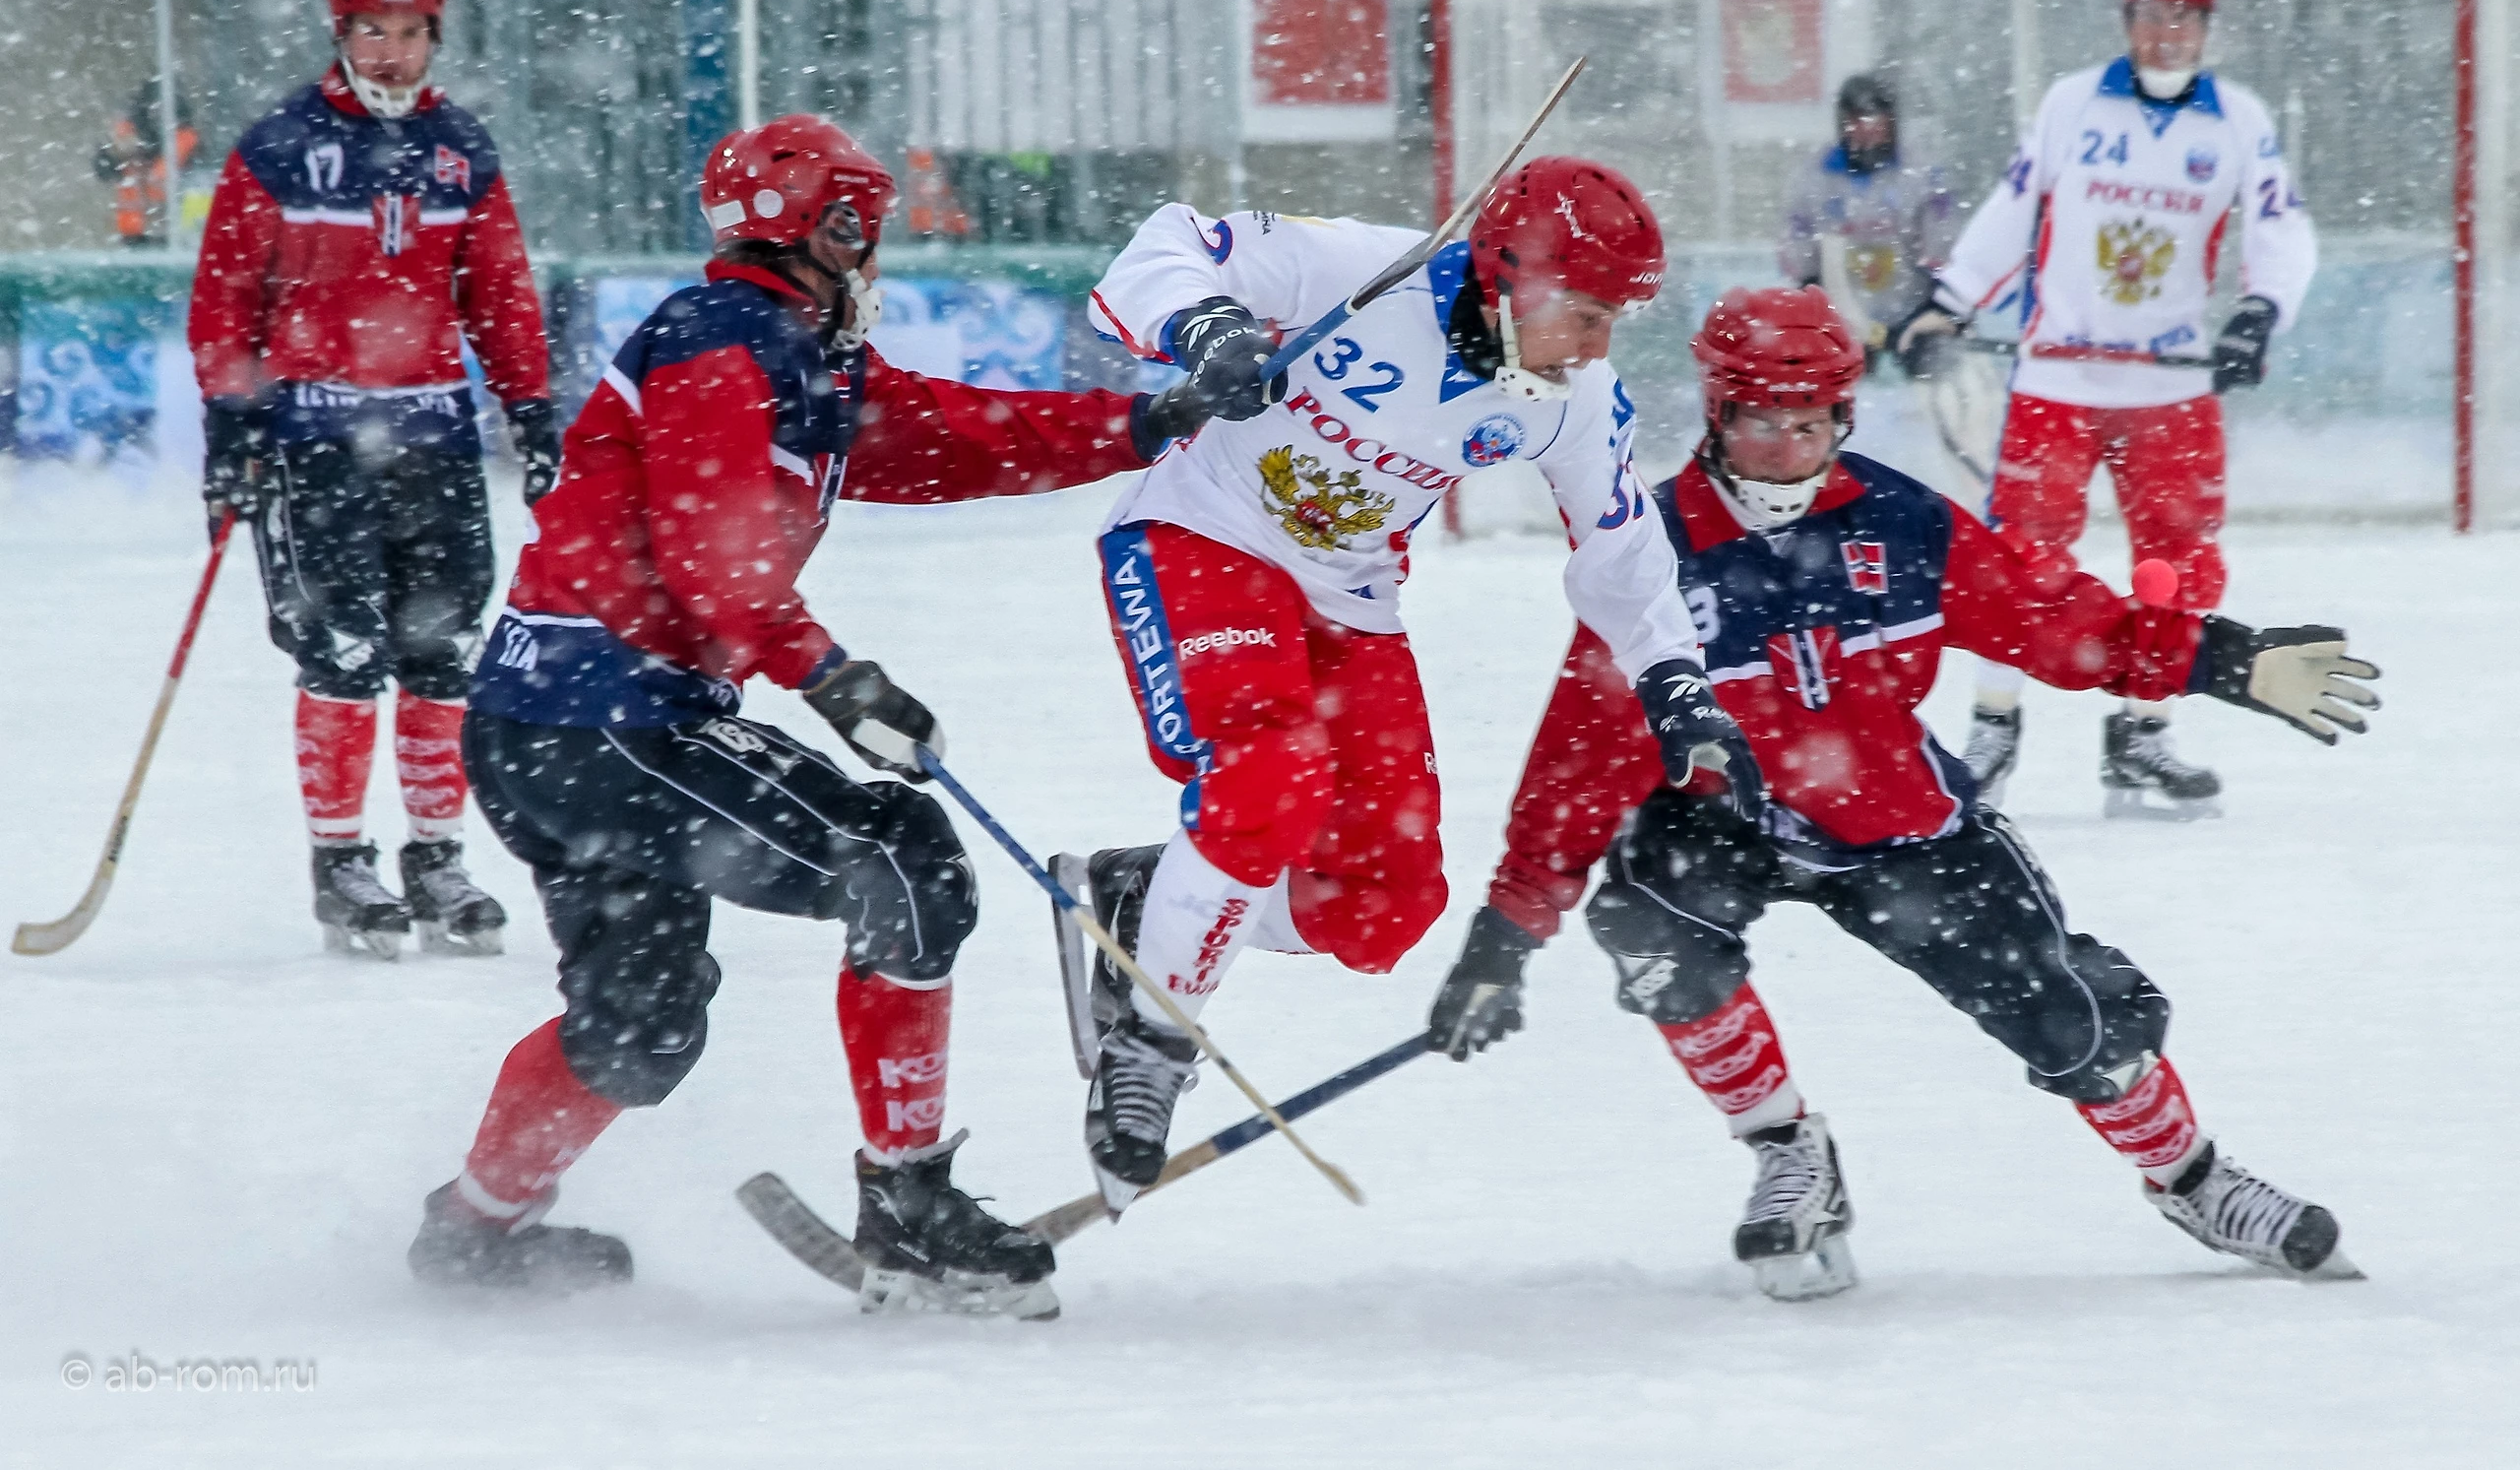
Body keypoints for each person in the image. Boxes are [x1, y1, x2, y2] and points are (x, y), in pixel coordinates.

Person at [405, 114, 1277, 1314]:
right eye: (870, 232)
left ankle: (474, 1230)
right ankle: (907, 1207)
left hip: (558, 725)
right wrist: (830, 675)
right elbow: (712, 551)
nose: (878, 260)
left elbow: (961, 437)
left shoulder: (796, 354)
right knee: (904, 857)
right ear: (830, 227)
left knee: (643, 1026)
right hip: (603, 716)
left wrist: (1151, 418)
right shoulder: (723, 345)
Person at [1429, 287, 2378, 1300]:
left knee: (2068, 1022)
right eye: (1760, 420)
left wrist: (2222, 661)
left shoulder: (1899, 521)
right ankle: (1787, 1152)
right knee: (1647, 920)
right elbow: (1579, 762)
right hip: (1730, 819)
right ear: (1717, 414)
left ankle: (2191, 1176)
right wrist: (1506, 932)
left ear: (1842, 417)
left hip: (1899, 829)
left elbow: (2059, 622)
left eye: (1811, 423)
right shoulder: (1648, 551)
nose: (1786, 448)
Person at [1056, 161, 1749, 1213]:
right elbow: (1163, 246)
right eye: (1588, 313)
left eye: (1618, 320)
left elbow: (1620, 546)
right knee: (1266, 778)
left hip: (1349, 598)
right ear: (1506, 277)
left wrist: (1672, 681)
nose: (1601, 346)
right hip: (1205, 536)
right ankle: (1151, 1041)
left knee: (1384, 905)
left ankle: (1143, 898)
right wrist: (1204, 328)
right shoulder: (1358, 269)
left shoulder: (1570, 401)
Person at [187, 0, 560, 958]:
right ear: (339, 35)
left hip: (432, 437)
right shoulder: (279, 145)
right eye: (371, 33)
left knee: (443, 650)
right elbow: (226, 297)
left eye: (409, 34)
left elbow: (501, 291)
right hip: (314, 441)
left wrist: (530, 409)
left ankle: (436, 858)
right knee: (343, 650)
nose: (391, 54)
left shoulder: (460, 151)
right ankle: (340, 859)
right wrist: (232, 422)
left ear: (433, 38)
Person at [1891, 0, 2317, 816]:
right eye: (2153, 16)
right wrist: (1950, 301)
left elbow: (2281, 226)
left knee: (2178, 565)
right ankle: (1994, 729)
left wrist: (2259, 312)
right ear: (2128, 21)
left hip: (2170, 387)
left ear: (2207, 29)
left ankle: (2141, 734)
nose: (2169, 34)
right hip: (2057, 377)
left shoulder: (2237, 120)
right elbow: (2013, 209)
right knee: (2017, 562)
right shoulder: (2071, 103)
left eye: (2187, 18)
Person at [1778, 72, 1956, 351]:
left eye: (1875, 122)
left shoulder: (1921, 174)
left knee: (1937, 375)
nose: (1866, 133)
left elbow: (1942, 242)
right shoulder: (1814, 178)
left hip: (1914, 309)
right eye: (1856, 122)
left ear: (1891, 123)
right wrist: (1811, 294)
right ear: (1842, 124)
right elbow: (1797, 248)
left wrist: (1939, 304)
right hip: (1843, 316)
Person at [94, 78, 200, 246]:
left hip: (171, 233)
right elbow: (104, 168)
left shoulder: (184, 139)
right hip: (135, 232)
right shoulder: (127, 133)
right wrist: (113, 153)